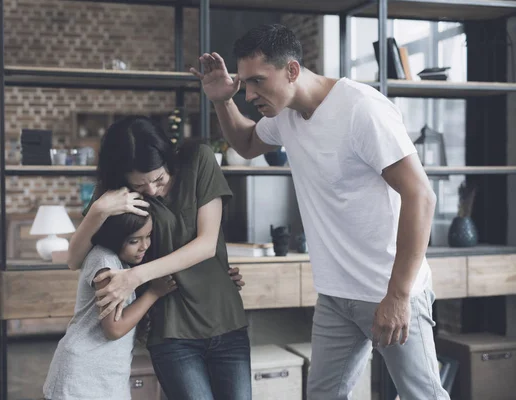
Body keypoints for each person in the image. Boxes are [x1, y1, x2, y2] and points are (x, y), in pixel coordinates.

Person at [190, 24, 450, 400]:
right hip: (335, 295)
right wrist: (220, 100)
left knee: (421, 396)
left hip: (388, 288)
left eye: (257, 81)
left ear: (292, 70)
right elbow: (246, 143)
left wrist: (397, 297)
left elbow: (421, 196)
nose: (248, 94)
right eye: (244, 83)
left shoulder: (362, 109)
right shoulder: (285, 114)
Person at [66, 116, 251, 400]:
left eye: (158, 179)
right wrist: (99, 210)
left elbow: (206, 245)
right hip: (171, 330)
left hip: (224, 319)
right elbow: (74, 259)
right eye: (141, 187)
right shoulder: (117, 190)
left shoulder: (199, 160)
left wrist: (134, 277)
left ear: (167, 157)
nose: (152, 191)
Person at [43, 210, 177, 400]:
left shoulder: (124, 262)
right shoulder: (104, 260)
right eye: (134, 241)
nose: (144, 246)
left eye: (148, 236)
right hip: (81, 373)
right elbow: (113, 329)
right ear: (115, 237)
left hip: (108, 373)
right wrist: (153, 293)